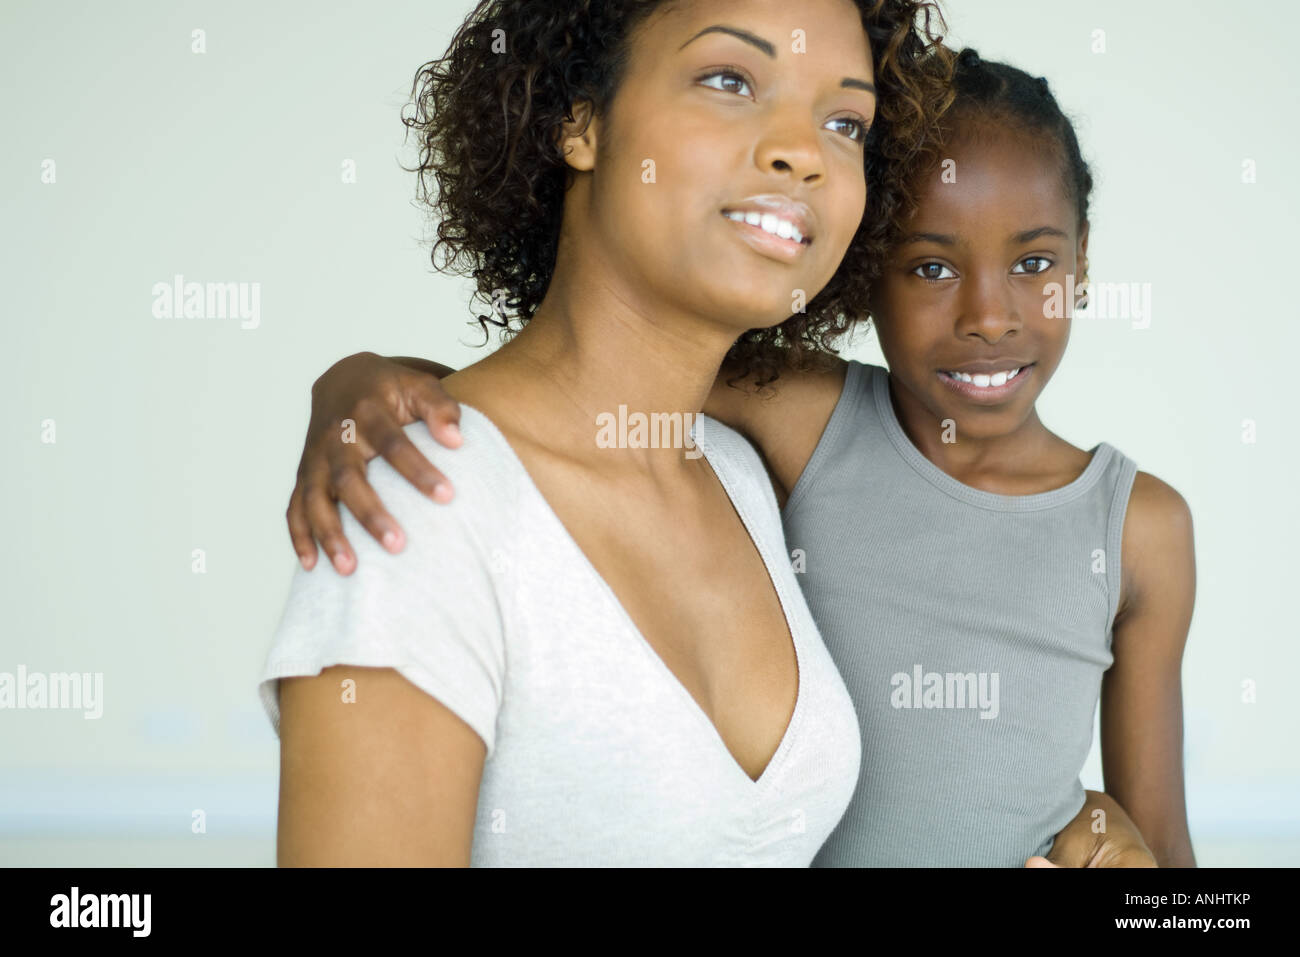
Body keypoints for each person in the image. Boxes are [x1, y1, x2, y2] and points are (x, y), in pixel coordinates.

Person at [284, 50, 1193, 866]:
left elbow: (1167, 855)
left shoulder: (1139, 527)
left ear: (1083, 260)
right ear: (862, 268)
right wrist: (359, 379)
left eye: (1036, 265)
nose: (990, 317)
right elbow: (574, 399)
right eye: (929, 268)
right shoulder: (808, 418)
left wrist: (1117, 849)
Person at [261, 0, 958, 866]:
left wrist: (1077, 820)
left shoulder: (744, 478)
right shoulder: (418, 498)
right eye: (730, 79)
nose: (803, 151)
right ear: (578, 120)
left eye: (845, 121)